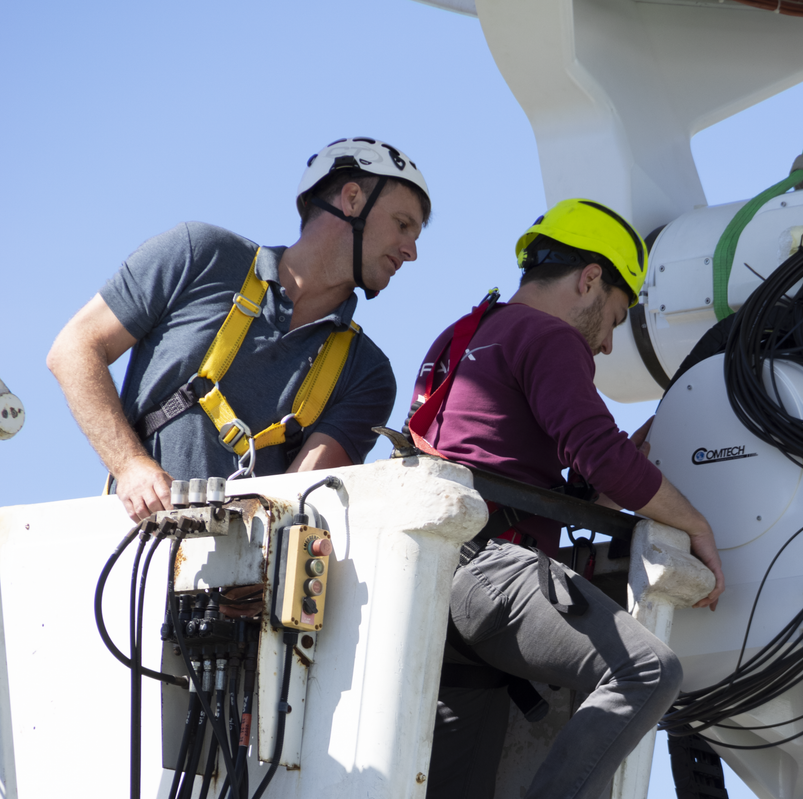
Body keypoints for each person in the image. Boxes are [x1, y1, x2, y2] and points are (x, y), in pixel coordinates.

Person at [407, 198, 726, 799]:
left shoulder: (462, 335)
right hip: (491, 578)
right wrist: (696, 525)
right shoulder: (549, 336)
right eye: (614, 315)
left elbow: (493, 461)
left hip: (429, 582)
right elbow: (598, 450)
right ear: (588, 279)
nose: (607, 344)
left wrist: (594, 492)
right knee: (649, 671)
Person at [48, 138, 431, 522]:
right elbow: (74, 348)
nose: (411, 251)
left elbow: (296, 504)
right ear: (352, 200)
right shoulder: (199, 254)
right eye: (402, 224)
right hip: (129, 546)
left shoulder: (367, 373)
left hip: (246, 573)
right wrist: (130, 466)